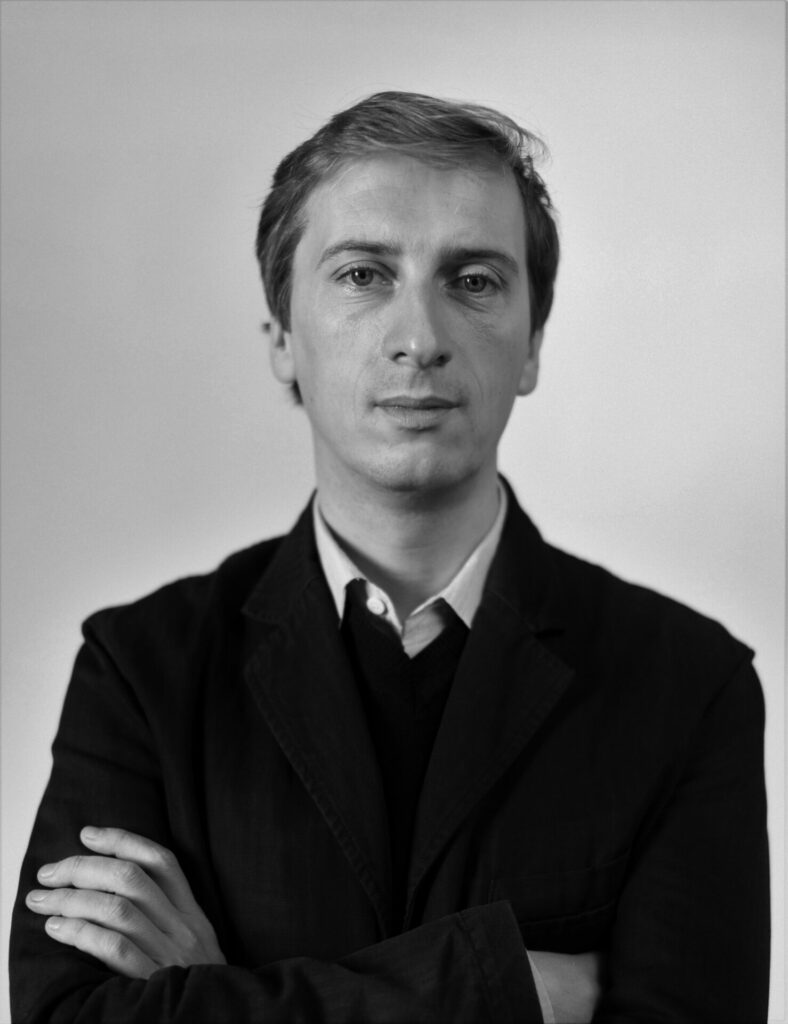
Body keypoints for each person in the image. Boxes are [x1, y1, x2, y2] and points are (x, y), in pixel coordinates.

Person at [9, 91, 770, 1023]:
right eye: (364, 274)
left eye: (474, 281)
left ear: (533, 343)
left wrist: (214, 996)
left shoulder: (689, 686)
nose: (421, 340)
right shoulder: (141, 670)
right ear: (282, 339)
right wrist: (508, 986)